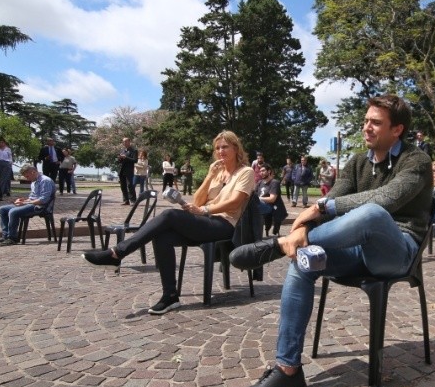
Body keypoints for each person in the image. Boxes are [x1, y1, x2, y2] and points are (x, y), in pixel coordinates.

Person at [228, 94, 432, 387]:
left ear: (397, 130)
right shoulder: (357, 162)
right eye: (366, 120)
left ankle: (282, 244)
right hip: (356, 249)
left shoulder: (415, 161)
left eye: (376, 122)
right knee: (304, 261)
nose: (367, 127)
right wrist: (307, 226)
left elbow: (386, 199)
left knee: (373, 213)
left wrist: (320, 209)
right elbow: (327, 207)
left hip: (398, 251)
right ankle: (288, 371)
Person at [83, 131, 255, 314]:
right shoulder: (217, 172)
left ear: (236, 148)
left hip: (225, 225)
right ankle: (170, 296)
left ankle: (117, 253)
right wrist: (209, 176)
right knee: (162, 236)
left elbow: (235, 202)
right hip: (204, 222)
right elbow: (197, 201)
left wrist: (205, 210)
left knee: (169, 215)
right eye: (218, 147)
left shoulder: (246, 172)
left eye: (225, 146)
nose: (221, 151)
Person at [0, 163, 55, 247]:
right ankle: (5, 235)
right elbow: (32, 198)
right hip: (31, 204)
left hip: (41, 207)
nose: (27, 178)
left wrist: (25, 203)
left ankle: (12, 238)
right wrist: (22, 200)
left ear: (33, 172)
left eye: (27, 176)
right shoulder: (34, 181)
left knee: (13, 211)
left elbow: (43, 200)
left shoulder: (45, 181)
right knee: (2, 209)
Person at [256, 164, 288, 236]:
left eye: (263, 171)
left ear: (269, 171)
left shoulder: (274, 182)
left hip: (271, 206)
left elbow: (272, 199)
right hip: (261, 204)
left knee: (255, 206)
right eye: (260, 171)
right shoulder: (260, 183)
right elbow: (254, 194)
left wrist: (258, 199)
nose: (261, 172)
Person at [118, 137, 137, 205]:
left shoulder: (134, 151)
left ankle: (133, 200)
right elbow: (119, 161)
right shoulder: (122, 150)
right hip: (121, 170)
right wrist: (119, 158)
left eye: (126, 141)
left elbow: (135, 160)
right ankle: (126, 200)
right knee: (123, 186)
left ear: (129, 142)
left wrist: (126, 157)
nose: (124, 143)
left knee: (130, 186)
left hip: (129, 170)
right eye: (123, 142)